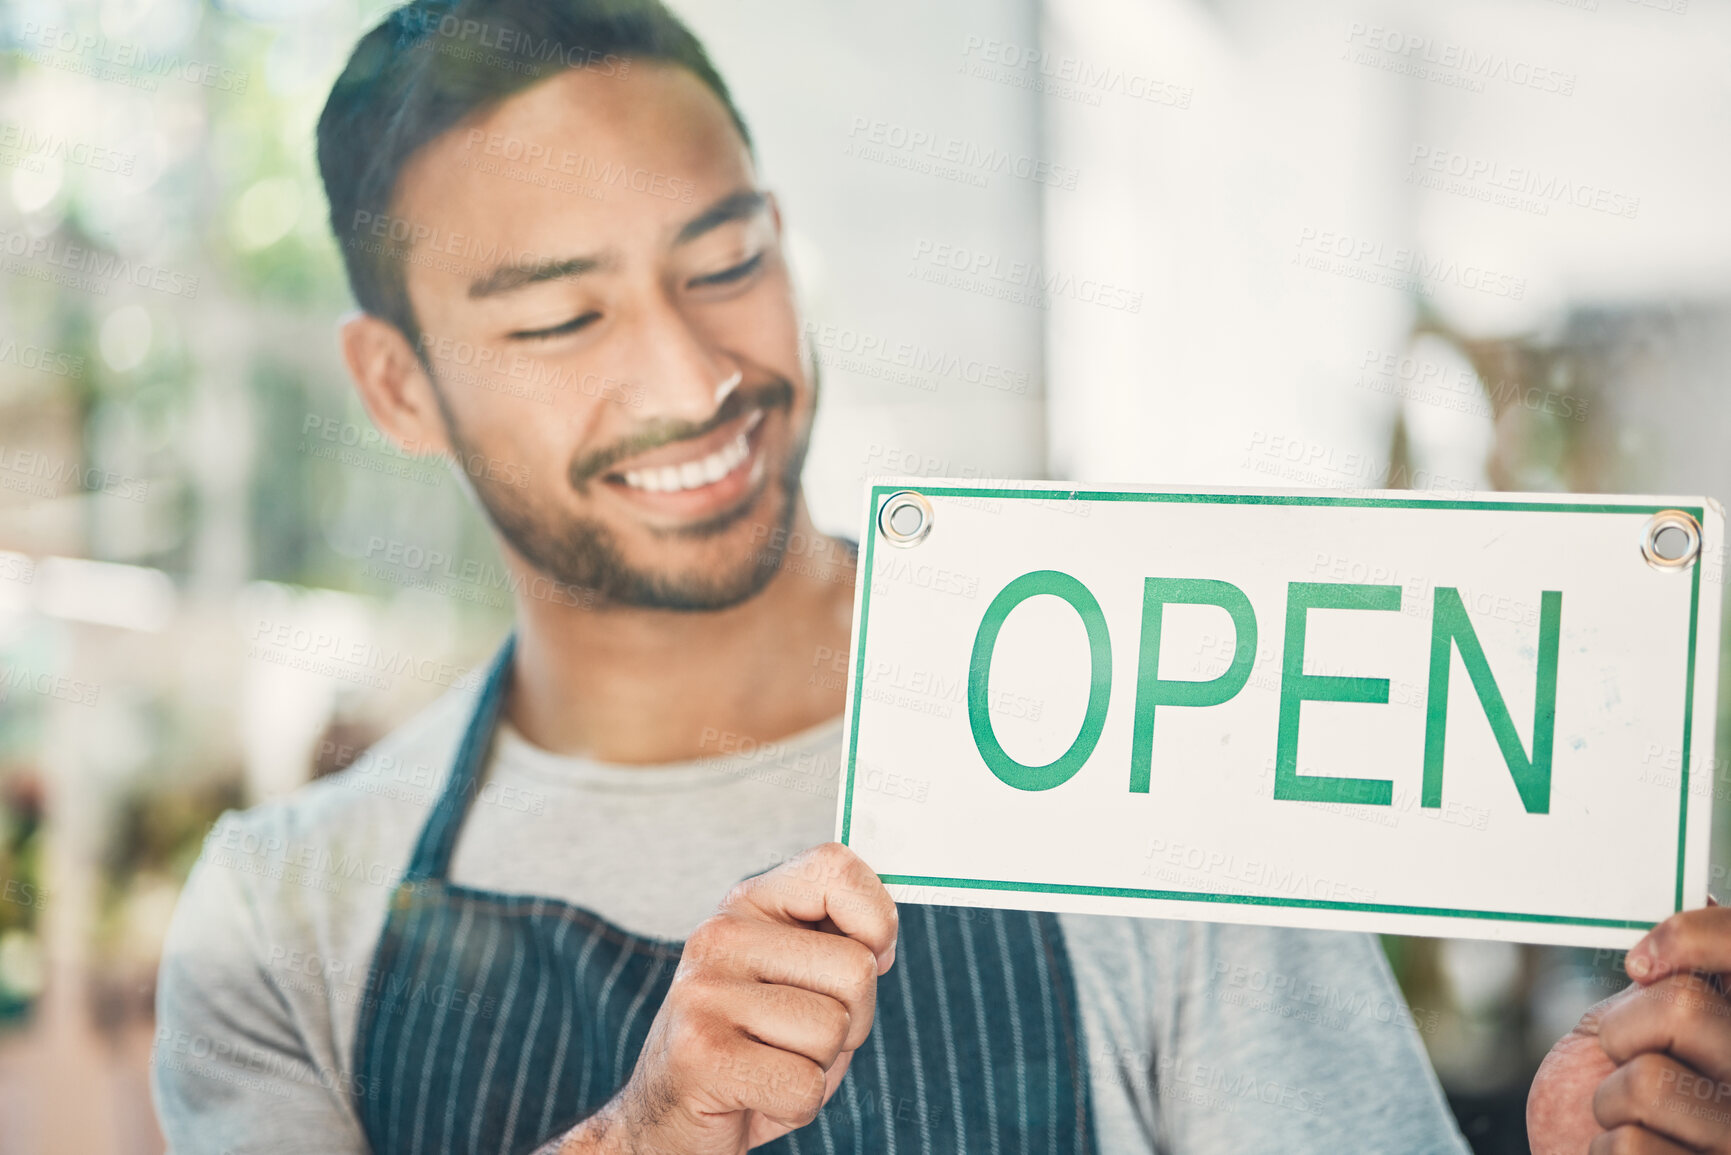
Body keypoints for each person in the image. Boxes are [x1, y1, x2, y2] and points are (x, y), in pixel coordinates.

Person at [146, 2, 1721, 1152]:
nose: (697, 373)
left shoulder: (1151, 729)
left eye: (727, 258)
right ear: (399, 386)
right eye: (562, 320)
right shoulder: (288, 910)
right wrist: (649, 1134)